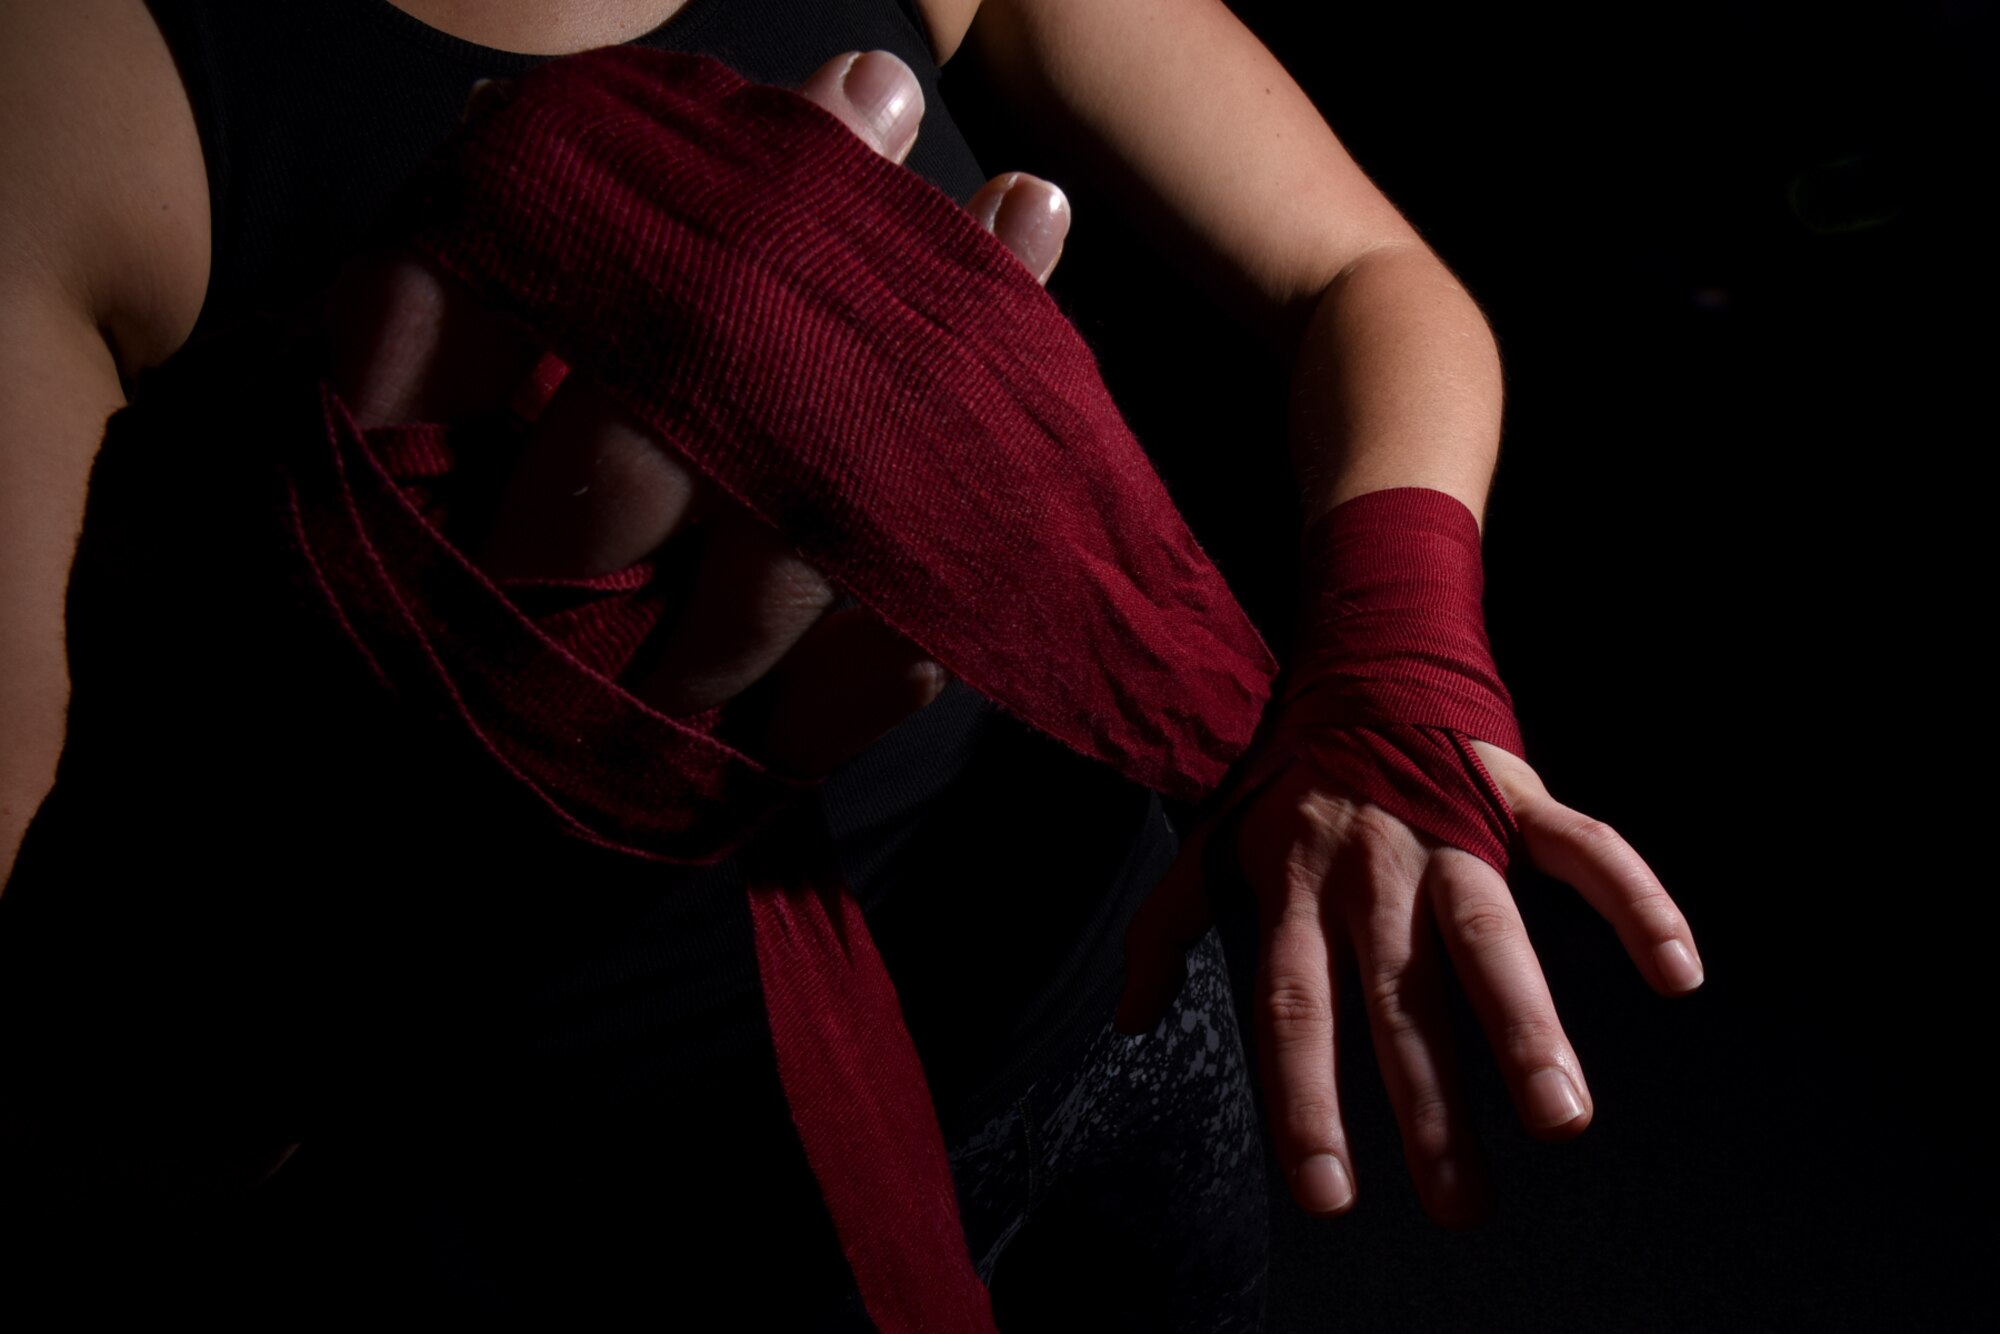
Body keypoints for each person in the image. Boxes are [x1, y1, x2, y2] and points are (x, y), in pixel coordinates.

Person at [0, 0, 1704, 1325]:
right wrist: (464, 811)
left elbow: (1366, 270)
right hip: (607, 1213)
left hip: (1103, 1003)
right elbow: (71, 1141)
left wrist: (1391, 644)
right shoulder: (78, 94)